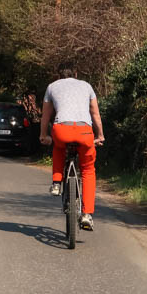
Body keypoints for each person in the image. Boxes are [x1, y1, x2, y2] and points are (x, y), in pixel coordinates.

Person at [39, 63, 105, 230]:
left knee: (58, 147)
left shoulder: (52, 87)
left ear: (58, 75)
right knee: (88, 170)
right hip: (84, 132)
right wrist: (100, 135)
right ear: (76, 73)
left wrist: (43, 135)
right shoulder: (87, 86)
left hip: (62, 130)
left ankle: (56, 183)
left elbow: (45, 115)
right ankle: (87, 214)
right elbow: (95, 114)